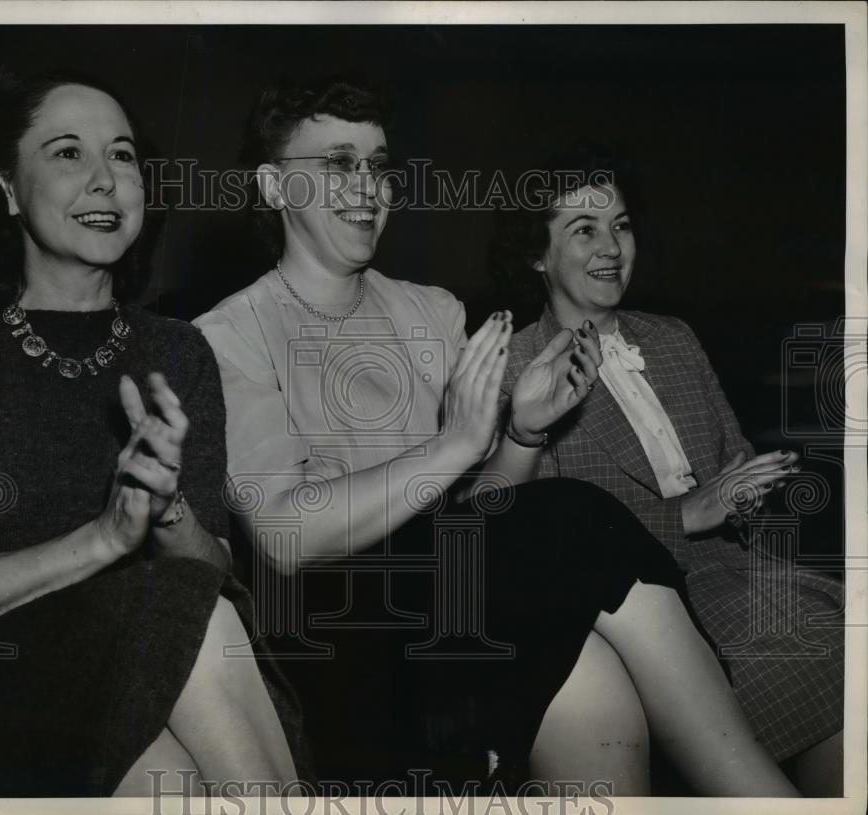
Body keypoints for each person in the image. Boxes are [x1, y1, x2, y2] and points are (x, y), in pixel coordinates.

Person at [195, 76, 799, 796]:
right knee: (573, 521)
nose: (367, 187)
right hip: (338, 633)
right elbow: (283, 534)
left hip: (457, 601)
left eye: (379, 165)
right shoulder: (224, 336)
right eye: (337, 164)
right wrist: (454, 443)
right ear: (273, 187)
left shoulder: (432, 312)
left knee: (588, 663)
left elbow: (484, 513)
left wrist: (521, 431)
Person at [0, 72, 304, 796]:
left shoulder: (179, 351)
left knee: (183, 610)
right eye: (67, 154)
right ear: (6, 186)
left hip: (172, 665)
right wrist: (106, 538)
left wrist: (166, 506)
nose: (104, 180)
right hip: (0, 690)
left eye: (121, 156)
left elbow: (214, 568)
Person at [488, 153, 844, 795]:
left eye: (620, 226)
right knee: (826, 653)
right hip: (643, 609)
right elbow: (538, 538)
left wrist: (754, 488)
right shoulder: (517, 367)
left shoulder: (674, 338)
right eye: (584, 229)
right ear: (536, 257)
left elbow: (731, 466)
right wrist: (690, 512)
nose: (611, 248)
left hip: (746, 574)